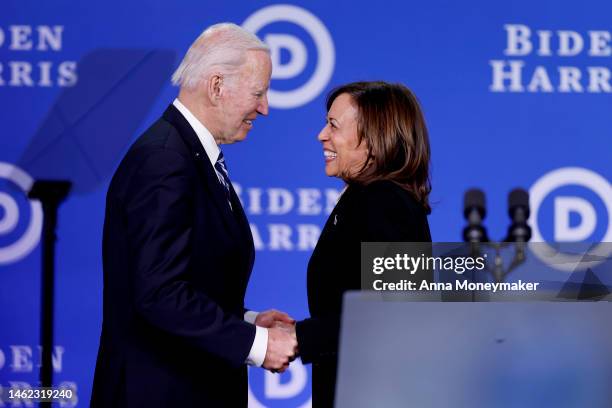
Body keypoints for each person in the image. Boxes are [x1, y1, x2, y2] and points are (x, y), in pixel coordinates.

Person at [91, 23, 297, 407]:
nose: (265, 107)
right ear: (217, 86)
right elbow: (159, 294)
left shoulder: (186, 154)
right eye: (258, 92)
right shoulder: (165, 159)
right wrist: (256, 344)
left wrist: (246, 321)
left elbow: (190, 281)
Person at [287, 81, 433, 406]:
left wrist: (298, 338)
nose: (321, 135)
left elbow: (397, 315)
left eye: (333, 125)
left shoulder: (385, 202)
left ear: (373, 139)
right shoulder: (362, 197)